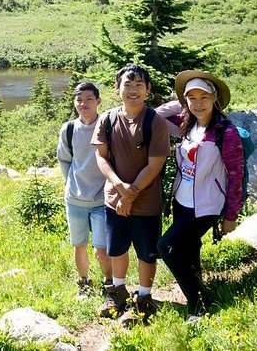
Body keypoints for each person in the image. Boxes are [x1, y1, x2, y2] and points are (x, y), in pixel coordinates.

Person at [156, 70, 244, 323]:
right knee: (190, 249)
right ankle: (199, 289)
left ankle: (198, 304)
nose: (198, 103)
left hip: (207, 205)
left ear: (215, 97)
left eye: (203, 96)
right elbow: (157, 116)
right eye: (191, 98)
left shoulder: (225, 132)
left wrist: (231, 215)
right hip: (182, 201)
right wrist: (183, 103)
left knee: (167, 247)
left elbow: (236, 175)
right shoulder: (187, 124)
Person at [93, 64, 170, 325]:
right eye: (127, 85)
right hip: (114, 200)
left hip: (146, 202)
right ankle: (118, 293)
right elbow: (101, 157)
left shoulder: (155, 123)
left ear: (147, 90)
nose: (133, 90)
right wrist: (119, 188)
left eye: (139, 85)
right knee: (116, 248)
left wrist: (131, 193)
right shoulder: (107, 119)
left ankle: (145, 298)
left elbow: (155, 164)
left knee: (146, 251)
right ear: (117, 89)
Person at [57, 81, 112, 304]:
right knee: (79, 245)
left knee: (101, 249)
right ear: (74, 102)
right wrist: (72, 184)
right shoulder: (68, 129)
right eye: (79, 100)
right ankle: (84, 282)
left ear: (98, 101)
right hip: (75, 199)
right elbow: (64, 160)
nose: (84, 104)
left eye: (89, 99)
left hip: (101, 199)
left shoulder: (107, 125)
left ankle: (110, 284)